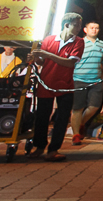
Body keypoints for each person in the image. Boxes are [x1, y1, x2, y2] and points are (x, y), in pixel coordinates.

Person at [29, 12, 84, 161]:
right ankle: (39, 146)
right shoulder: (49, 40)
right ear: (66, 25)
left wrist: (47, 55)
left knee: (62, 117)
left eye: (79, 25)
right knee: (42, 117)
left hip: (65, 85)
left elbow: (70, 62)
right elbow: (41, 62)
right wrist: (36, 57)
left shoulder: (78, 42)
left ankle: (53, 149)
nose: (79, 28)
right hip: (46, 82)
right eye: (76, 25)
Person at [70, 21, 103, 145]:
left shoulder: (102, 44)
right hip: (79, 79)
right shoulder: (78, 43)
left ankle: (80, 123)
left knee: (94, 106)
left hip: (96, 81)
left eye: (97, 28)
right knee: (77, 108)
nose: (94, 30)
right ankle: (76, 134)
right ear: (85, 30)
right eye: (92, 28)